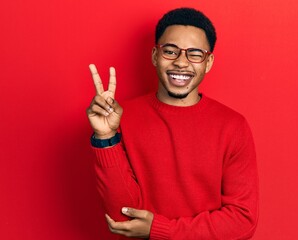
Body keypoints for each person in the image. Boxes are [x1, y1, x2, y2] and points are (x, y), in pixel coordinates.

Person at [86, 7, 259, 240]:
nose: (181, 62)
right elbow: (122, 219)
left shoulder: (233, 126)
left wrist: (160, 229)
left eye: (195, 54)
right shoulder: (122, 117)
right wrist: (106, 137)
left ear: (208, 62)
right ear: (155, 56)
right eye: (170, 51)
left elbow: (242, 222)